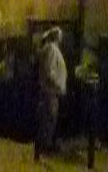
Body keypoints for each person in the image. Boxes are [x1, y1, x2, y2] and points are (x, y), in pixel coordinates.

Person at [35, 27, 67, 163]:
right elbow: (50, 71)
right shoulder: (52, 50)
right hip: (51, 92)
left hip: (50, 91)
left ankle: (41, 151)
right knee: (48, 121)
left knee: (48, 121)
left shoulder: (49, 49)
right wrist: (58, 85)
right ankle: (42, 151)